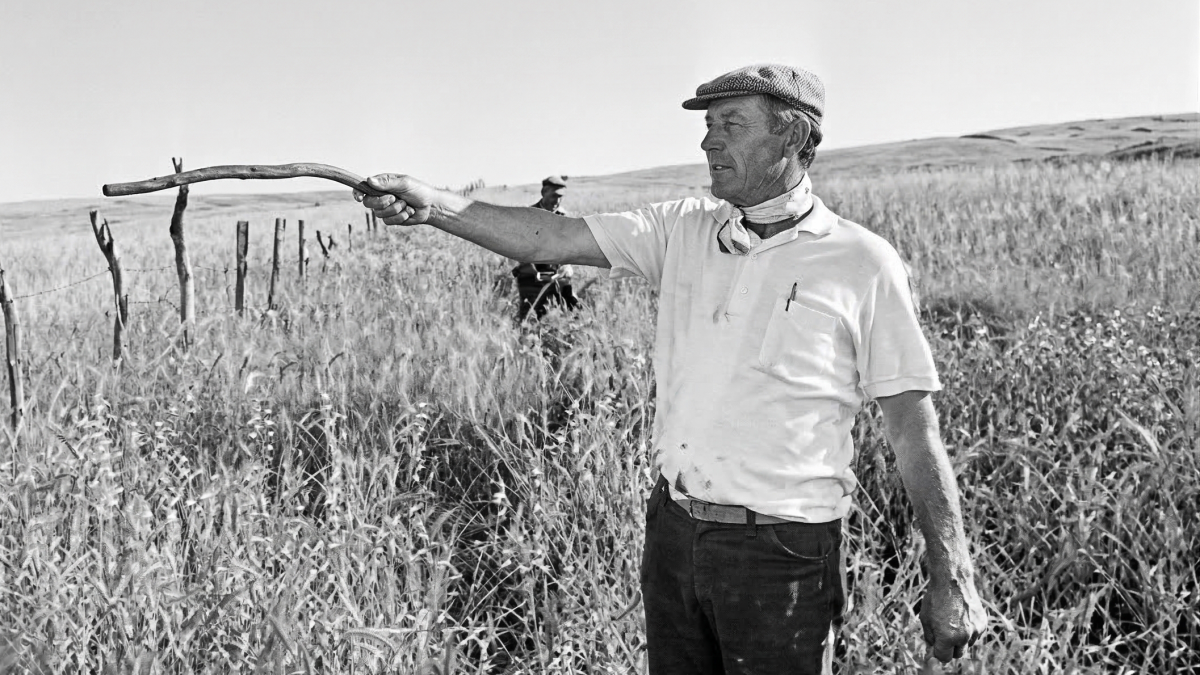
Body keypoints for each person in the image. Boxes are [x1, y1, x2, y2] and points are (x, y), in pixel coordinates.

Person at [356, 63, 986, 674]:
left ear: (792, 135)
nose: (708, 141)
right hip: (674, 533)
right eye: (708, 125)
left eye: (731, 124)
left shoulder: (862, 262)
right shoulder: (682, 229)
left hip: (784, 550)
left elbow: (912, 429)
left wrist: (952, 573)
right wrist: (434, 205)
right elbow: (546, 238)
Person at [510, 175, 580, 321]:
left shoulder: (565, 216)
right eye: (554, 196)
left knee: (573, 313)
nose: (557, 201)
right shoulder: (529, 215)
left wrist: (567, 267)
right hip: (531, 275)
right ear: (543, 193)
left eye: (561, 197)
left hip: (557, 276)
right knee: (530, 319)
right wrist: (534, 270)